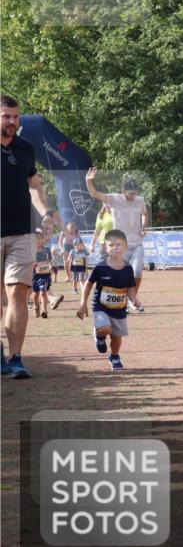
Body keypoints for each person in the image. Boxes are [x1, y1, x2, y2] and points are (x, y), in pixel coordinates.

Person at [1, 94, 58, 380]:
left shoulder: (25, 149)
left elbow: (34, 184)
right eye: (6, 116)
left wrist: (46, 212)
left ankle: (16, 357)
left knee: (17, 293)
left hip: (21, 233)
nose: (12, 121)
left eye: (15, 116)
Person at [75, 229, 140, 371]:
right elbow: (88, 284)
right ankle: (99, 335)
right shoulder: (100, 266)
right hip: (101, 307)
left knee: (117, 338)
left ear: (125, 247)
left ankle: (114, 356)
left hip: (119, 309)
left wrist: (134, 300)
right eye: (111, 245)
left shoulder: (128, 269)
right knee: (105, 328)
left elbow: (130, 288)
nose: (115, 248)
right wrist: (83, 304)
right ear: (105, 247)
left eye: (118, 245)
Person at [85, 169, 149, 311]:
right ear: (123, 190)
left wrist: (143, 226)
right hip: (121, 245)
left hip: (137, 243)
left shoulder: (140, 200)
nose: (134, 195)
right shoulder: (114, 198)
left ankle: (132, 300)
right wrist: (88, 181)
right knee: (120, 275)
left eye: (135, 192)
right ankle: (113, 299)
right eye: (131, 193)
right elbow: (95, 194)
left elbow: (145, 214)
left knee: (137, 271)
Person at [32, 232, 54, 319]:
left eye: (39, 238)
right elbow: (28, 263)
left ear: (42, 239)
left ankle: (44, 311)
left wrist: (51, 266)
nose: (38, 241)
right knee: (35, 294)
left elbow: (50, 261)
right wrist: (32, 264)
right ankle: (36, 306)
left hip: (45, 275)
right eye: (36, 239)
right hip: (35, 276)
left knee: (43, 292)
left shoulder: (47, 250)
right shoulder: (31, 252)